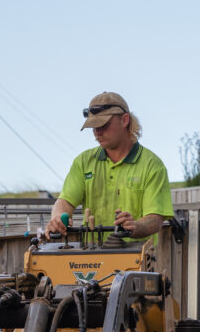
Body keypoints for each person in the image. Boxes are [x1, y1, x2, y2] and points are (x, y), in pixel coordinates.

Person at [44, 92, 173, 241]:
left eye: (103, 125)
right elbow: (65, 202)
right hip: (90, 261)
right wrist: (58, 218)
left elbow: (155, 219)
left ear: (124, 120)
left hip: (135, 259)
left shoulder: (152, 165)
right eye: (93, 127)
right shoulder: (83, 162)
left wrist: (136, 226)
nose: (97, 132)